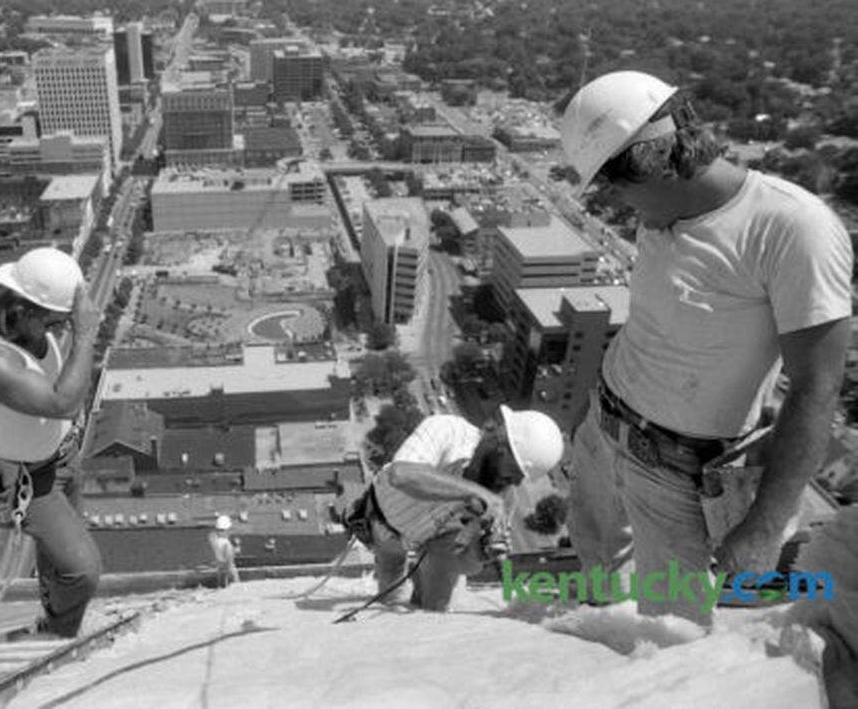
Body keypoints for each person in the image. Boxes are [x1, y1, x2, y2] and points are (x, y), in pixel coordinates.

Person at [558, 71, 851, 625]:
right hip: (603, 431)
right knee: (598, 573)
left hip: (677, 483)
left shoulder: (791, 229)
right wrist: (589, 415)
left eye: (615, 186)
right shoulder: (663, 213)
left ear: (654, 164)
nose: (616, 203)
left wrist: (765, 524)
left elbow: (817, 388)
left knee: (666, 636)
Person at [0, 246, 104, 639]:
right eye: (56, 324)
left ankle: (51, 602)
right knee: (82, 572)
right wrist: (86, 334)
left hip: (60, 457)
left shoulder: (29, 328)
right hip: (23, 479)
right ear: (25, 313)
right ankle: (57, 632)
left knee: (59, 558)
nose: (61, 332)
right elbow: (62, 403)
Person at [339, 409, 564, 612]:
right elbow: (401, 475)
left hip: (429, 547)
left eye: (521, 478)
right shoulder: (447, 430)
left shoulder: (503, 497)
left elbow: (467, 565)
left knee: (430, 613)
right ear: (501, 444)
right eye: (515, 471)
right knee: (388, 597)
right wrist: (475, 493)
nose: (515, 482)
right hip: (382, 527)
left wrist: (482, 553)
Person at [208, 515, 240, 587]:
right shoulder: (226, 544)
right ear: (227, 529)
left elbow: (212, 535)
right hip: (229, 569)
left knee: (221, 585)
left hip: (219, 568)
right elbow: (229, 559)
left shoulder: (214, 540)